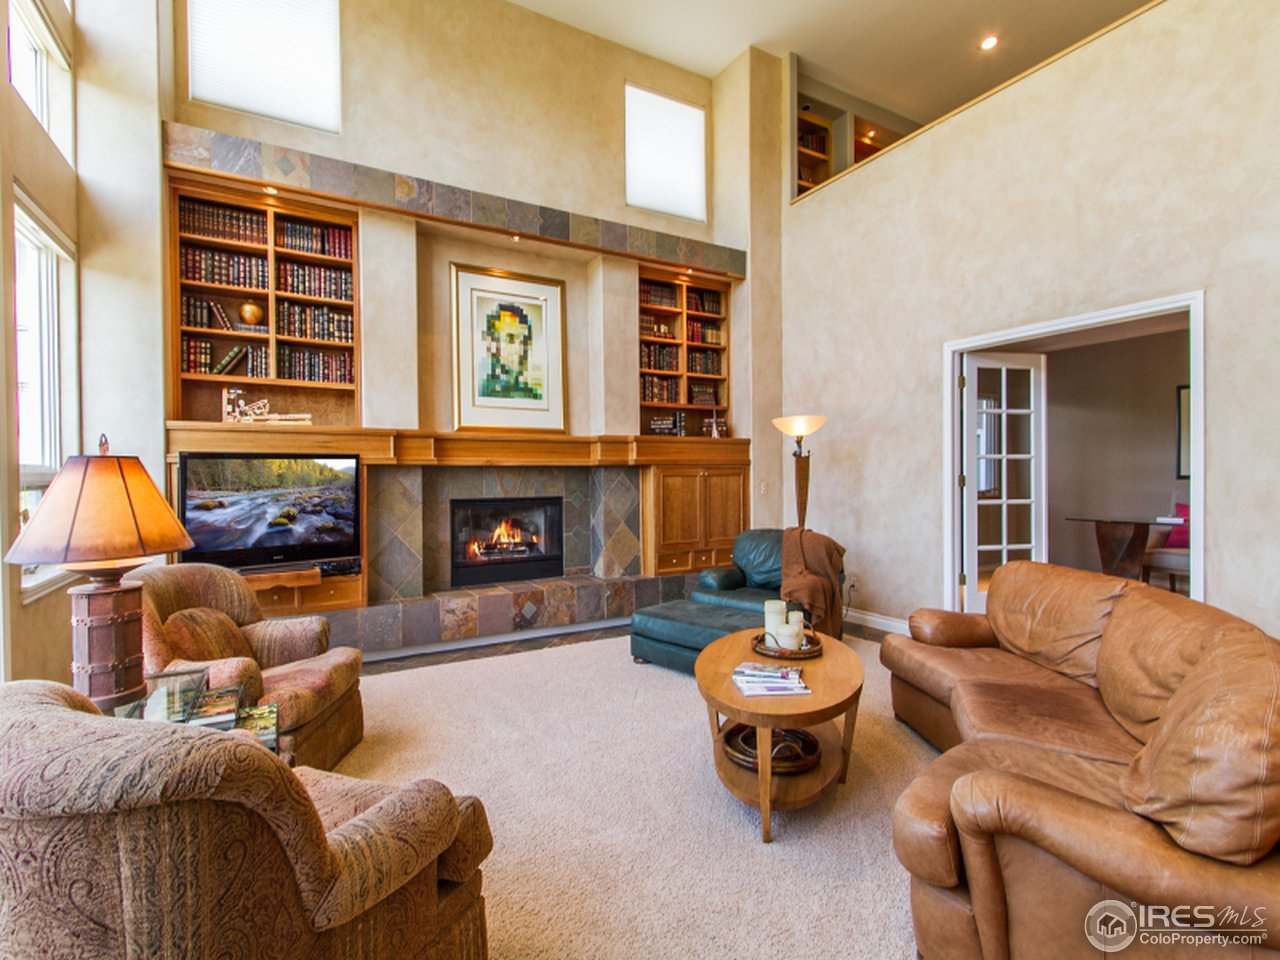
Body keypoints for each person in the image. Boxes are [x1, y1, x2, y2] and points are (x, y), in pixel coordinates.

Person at [480, 302, 541, 400]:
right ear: (491, 345)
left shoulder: (533, 396)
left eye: (524, 342)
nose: (519, 350)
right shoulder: (483, 392)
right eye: (510, 339)